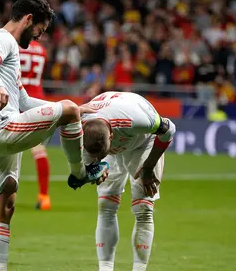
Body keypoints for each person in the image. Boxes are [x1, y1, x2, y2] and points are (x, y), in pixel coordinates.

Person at [0, 0, 108, 271]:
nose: (39, 37)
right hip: (1, 127)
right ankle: (80, 173)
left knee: (4, 206)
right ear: (29, 19)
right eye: (39, 30)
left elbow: (23, 101)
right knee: (67, 111)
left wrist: (79, 108)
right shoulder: (2, 39)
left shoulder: (11, 51)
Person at [68, 91, 176, 271]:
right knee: (106, 205)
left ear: (111, 138)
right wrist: (85, 173)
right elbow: (79, 170)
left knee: (143, 209)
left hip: (142, 142)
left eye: (98, 157)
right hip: (105, 137)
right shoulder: (76, 125)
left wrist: (148, 168)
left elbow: (169, 129)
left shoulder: (137, 119)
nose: (95, 160)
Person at [0, 40, 52, 210]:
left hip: (17, 97)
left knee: (5, 148)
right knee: (39, 150)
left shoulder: (13, 46)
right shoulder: (41, 49)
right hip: (37, 98)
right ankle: (44, 196)